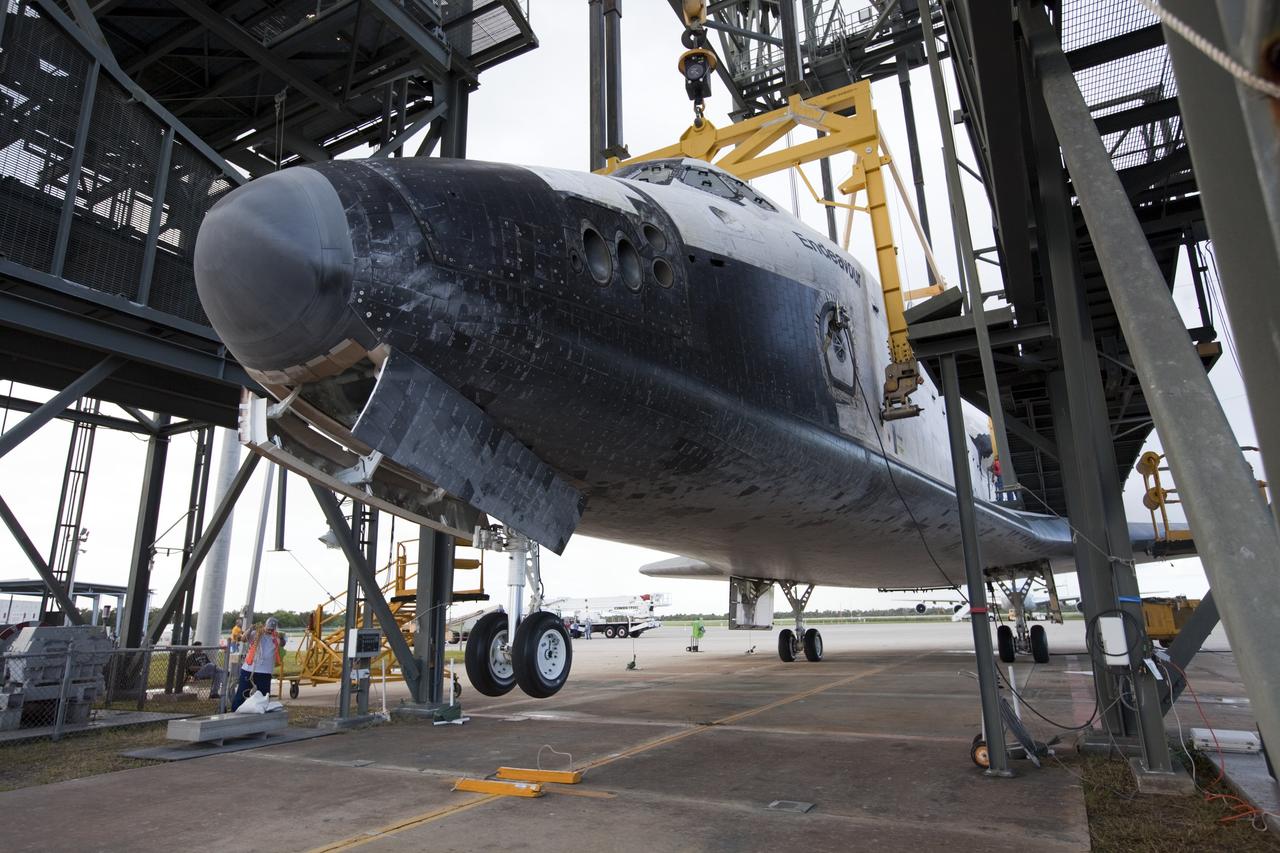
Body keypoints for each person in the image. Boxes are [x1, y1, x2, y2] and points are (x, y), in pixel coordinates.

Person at [232, 617, 285, 710]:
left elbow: (282, 643)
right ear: (265, 626)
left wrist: (279, 636)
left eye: (272, 629)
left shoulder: (277, 637)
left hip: (265, 672)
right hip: (249, 669)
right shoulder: (256, 634)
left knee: (264, 696)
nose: (269, 631)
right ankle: (235, 711)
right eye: (268, 629)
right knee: (242, 693)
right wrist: (251, 629)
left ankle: (261, 714)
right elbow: (243, 639)